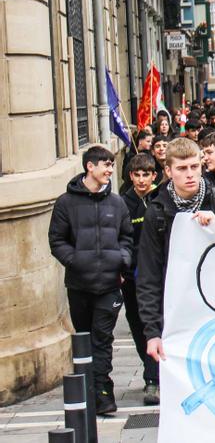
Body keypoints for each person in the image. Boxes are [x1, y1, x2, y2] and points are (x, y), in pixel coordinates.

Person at [137, 138, 215, 369]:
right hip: (176, 313)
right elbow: (149, 275)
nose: (190, 174)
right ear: (168, 170)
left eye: (194, 167)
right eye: (182, 169)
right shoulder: (156, 213)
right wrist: (152, 332)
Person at [49, 145, 134, 415]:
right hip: (79, 285)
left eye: (111, 164)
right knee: (83, 339)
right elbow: (57, 240)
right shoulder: (66, 203)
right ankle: (85, 388)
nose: (110, 169)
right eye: (105, 165)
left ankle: (103, 391)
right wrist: (76, 261)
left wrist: (122, 260)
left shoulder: (117, 203)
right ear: (90, 167)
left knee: (102, 339)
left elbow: (127, 237)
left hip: (109, 285)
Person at [118, 153, 159, 404]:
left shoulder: (159, 200)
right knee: (137, 326)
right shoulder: (122, 203)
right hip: (132, 277)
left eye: (146, 174)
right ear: (131, 176)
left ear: (154, 176)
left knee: (153, 324)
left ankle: (152, 378)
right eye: (137, 174)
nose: (142, 179)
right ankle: (149, 368)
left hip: (155, 275)